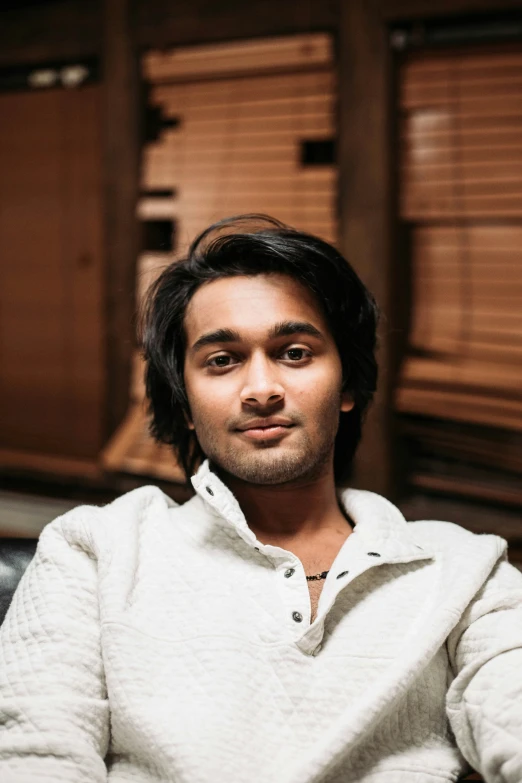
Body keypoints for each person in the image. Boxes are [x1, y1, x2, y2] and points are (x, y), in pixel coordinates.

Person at [0, 215, 521, 783]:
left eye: (294, 353)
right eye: (221, 360)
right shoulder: (93, 550)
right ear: (184, 405)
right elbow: (36, 760)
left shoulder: (467, 571)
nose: (261, 389)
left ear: (347, 385)